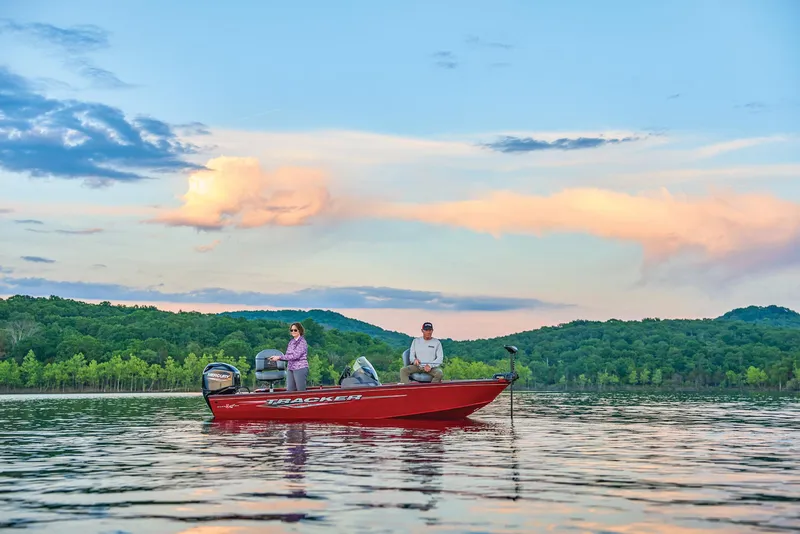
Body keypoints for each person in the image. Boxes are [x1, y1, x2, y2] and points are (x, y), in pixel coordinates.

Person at [269, 322, 309, 391]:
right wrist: (277, 358)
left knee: (300, 390)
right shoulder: (291, 342)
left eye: (295, 330)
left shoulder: (302, 342)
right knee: (290, 390)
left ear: (300, 330)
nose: (293, 332)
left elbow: (295, 356)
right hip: (290, 368)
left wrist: (279, 357)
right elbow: (288, 355)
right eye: (291, 330)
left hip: (300, 368)